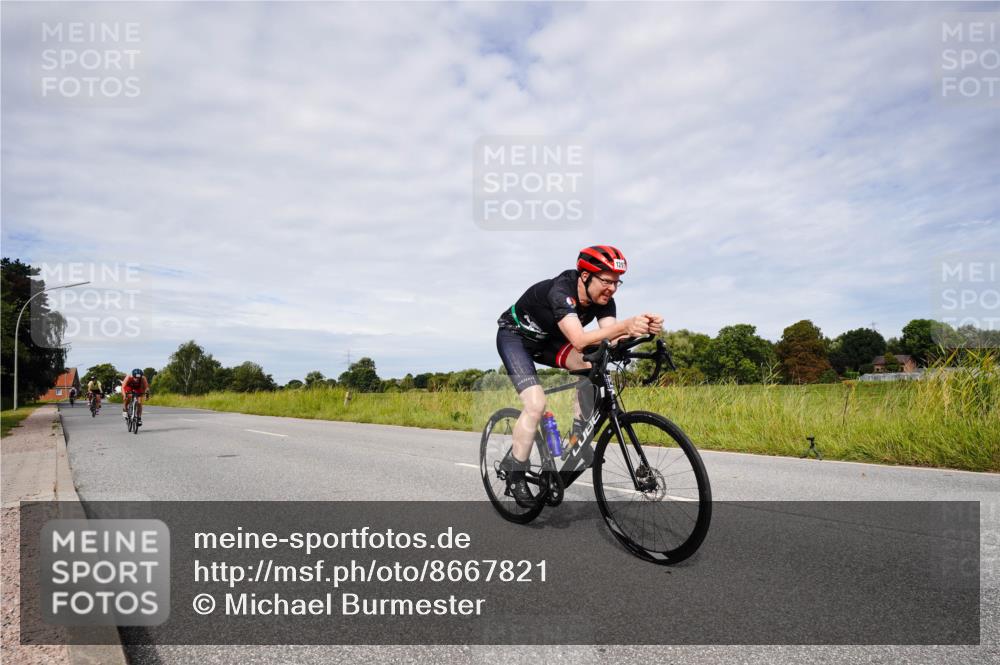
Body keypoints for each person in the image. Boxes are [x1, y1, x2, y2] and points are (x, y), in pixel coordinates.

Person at [496, 245, 663, 506]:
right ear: (585, 276)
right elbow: (580, 339)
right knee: (536, 404)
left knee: (591, 366)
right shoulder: (561, 291)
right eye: (606, 281)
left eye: (617, 283)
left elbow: (611, 337)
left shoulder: (604, 300)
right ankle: (515, 471)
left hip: (550, 341)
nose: (612, 288)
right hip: (515, 338)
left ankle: (578, 438)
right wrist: (625, 325)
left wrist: (640, 331)